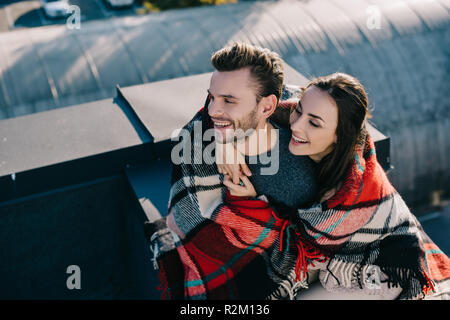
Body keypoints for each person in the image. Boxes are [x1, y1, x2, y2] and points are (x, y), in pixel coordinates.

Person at [224, 72, 450, 300]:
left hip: (382, 265)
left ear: (339, 136)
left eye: (314, 123)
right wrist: (226, 143)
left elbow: (297, 249)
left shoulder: (345, 194)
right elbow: (222, 102)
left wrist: (255, 201)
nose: (297, 126)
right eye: (299, 110)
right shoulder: (296, 105)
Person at [147, 42, 319, 299]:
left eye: (229, 100)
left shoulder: (300, 171)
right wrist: (222, 141)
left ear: (267, 107)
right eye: (212, 97)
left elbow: (304, 251)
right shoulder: (197, 141)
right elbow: (192, 222)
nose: (213, 110)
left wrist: (249, 207)